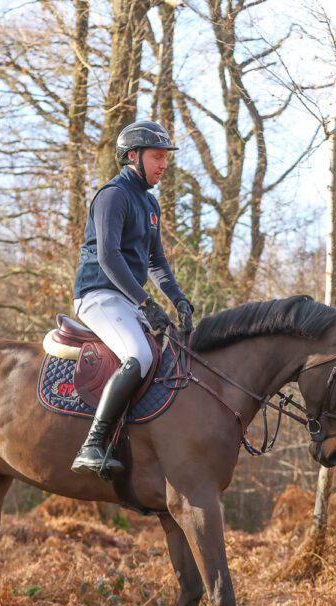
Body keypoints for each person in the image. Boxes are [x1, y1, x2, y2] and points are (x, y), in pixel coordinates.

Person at [69, 120, 194, 476]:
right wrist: (146, 303)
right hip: (97, 295)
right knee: (138, 354)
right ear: (132, 157)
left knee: (169, 354)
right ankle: (92, 444)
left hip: (125, 299)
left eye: (165, 158)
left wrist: (177, 298)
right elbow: (109, 258)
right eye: (157, 157)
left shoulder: (150, 205)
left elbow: (156, 262)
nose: (164, 165)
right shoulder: (113, 195)